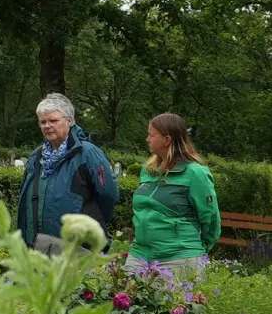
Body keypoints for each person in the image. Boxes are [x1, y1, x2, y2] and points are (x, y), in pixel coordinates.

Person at [16, 94, 118, 255]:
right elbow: (25, 198)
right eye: (43, 122)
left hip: (78, 246)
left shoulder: (87, 153)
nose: (47, 126)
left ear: (69, 121)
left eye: (53, 121)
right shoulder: (37, 156)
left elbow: (108, 195)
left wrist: (91, 224)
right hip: (41, 244)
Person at [128, 113, 221, 275]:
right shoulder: (148, 170)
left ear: (167, 140)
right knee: (124, 299)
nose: (147, 139)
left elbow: (210, 218)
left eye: (152, 135)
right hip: (139, 255)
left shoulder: (195, 173)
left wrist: (197, 248)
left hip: (179, 258)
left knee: (174, 301)